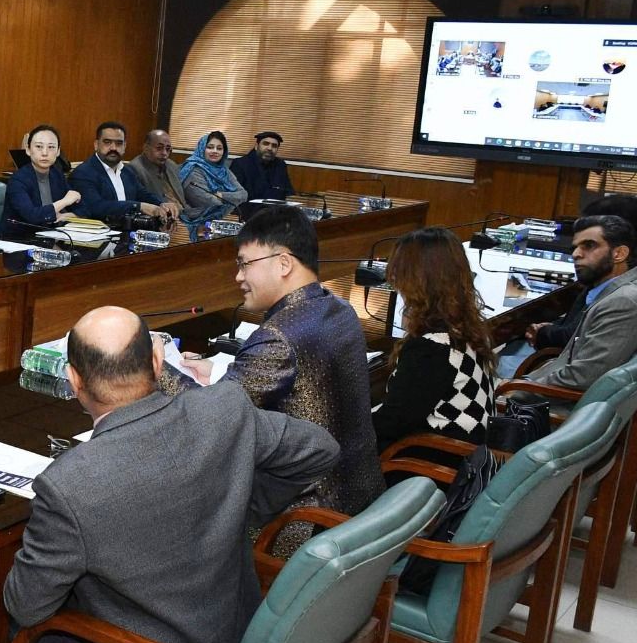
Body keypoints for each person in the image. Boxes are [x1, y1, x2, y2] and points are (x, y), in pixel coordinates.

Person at [3, 306, 338, 643]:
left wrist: (240, 505)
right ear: (158, 363)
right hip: (235, 639)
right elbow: (319, 449)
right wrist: (240, 506)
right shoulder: (222, 410)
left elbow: (27, 604)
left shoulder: (69, 485)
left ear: (73, 381)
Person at [164, 206, 384, 525]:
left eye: (245, 264)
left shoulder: (279, 336)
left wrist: (156, 367)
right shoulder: (338, 307)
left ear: (283, 263)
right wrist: (219, 372)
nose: (238, 276)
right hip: (359, 497)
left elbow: (212, 417)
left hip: (303, 519)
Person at [514, 215, 637, 399]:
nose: (576, 254)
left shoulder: (624, 303)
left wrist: (513, 390)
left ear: (619, 253)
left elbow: (582, 378)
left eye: (589, 245)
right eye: (575, 247)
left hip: (569, 407)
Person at [373, 228, 495, 455]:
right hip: (464, 453)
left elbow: (392, 422)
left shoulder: (431, 350)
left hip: (431, 464)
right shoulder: (466, 330)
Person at [69, 121, 168, 224]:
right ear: (96, 145)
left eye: (119, 143)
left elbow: (142, 194)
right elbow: (95, 207)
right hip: (101, 230)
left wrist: (162, 205)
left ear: (124, 146)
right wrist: (138, 206)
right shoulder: (83, 173)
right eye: (107, 142)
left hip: (129, 228)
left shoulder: (127, 171)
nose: (113, 148)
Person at [2, 123, 82, 233]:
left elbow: (83, 207)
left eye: (51, 147)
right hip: (20, 238)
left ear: (58, 151)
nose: (45, 153)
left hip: (51, 235)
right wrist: (64, 202)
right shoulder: (18, 180)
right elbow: (31, 216)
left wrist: (69, 215)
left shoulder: (56, 175)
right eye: (39, 147)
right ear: (28, 150)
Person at [178, 131, 248, 226]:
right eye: (210, 147)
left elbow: (243, 195)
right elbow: (210, 203)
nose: (215, 151)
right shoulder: (193, 169)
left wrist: (221, 195)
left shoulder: (224, 171)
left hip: (216, 222)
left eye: (219, 148)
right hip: (193, 224)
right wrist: (232, 200)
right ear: (202, 148)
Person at [127, 128, 185, 222]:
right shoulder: (135, 169)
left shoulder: (171, 165)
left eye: (168, 149)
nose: (164, 153)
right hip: (161, 220)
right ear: (146, 148)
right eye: (159, 148)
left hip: (184, 217)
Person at [230, 130, 295, 203]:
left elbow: (288, 193)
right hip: (248, 208)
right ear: (256, 146)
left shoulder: (281, 165)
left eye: (274, 146)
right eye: (266, 144)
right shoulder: (240, 164)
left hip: (275, 208)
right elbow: (234, 195)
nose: (270, 148)